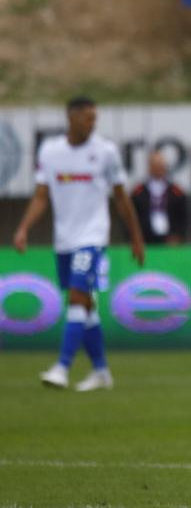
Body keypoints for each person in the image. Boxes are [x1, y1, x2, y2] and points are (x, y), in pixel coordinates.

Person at [11, 96, 145, 391]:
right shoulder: (50, 152)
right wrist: (23, 228)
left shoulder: (106, 152)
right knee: (86, 305)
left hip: (93, 238)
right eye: (88, 118)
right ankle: (101, 371)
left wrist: (136, 236)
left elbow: (121, 198)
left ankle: (62, 367)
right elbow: (41, 196)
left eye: (95, 118)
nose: (93, 123)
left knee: (76, 297)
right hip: (64, 240)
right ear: (70, 118)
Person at [131, 151, 189, 246]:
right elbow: (133, 216)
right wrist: (135, 237)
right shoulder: (138, 192)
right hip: (145, 239)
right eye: (155, 165)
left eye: (161, 165)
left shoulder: (176, 192)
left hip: (170, 239)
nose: (158, 168)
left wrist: (178, 235)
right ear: (149, 167)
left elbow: (183, 217)